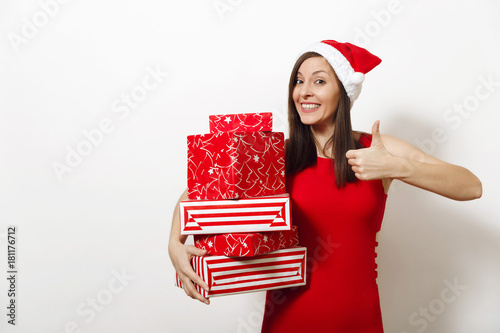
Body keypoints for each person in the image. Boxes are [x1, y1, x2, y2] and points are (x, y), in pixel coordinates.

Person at [168, 40, 482, 332]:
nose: (304, 91)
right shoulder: (275, 156)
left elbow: (470, 186)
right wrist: (174, 244)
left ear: (343, 91)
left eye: (319, 81)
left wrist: (397, 166)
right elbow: (198, 190)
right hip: (287, 318)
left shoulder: (376, 149)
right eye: (298, 81)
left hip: (358, 317)